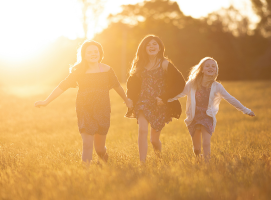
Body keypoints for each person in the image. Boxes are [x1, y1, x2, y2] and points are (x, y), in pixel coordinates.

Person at [34, 40, 133, 164]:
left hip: (103, 109)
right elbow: (62, 86)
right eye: (89, 52)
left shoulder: (107, 70)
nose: (93, 54)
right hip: (84, 109)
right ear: (84, 55)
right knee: (87, 144)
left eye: (96, 51)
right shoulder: (78, 71)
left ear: (100, 53)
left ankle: (103, 158)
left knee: (99, 148)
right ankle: (87, 174)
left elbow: (117, 86)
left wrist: (126, 100)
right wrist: (46, 101)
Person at [168, 57, 255, 162]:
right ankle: (198, 158)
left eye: (213, 66)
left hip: (207, 117)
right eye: (207, 66)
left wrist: (246, 110)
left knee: (206, 143)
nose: (211, 67)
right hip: (194, 117)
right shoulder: (192, 84)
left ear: (216, 70)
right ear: (202, 69)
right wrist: (165, 100)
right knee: (196, 149)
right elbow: (180, 94)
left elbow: (230, 99)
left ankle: (207, 163)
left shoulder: (217, 86)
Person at [126, 35, 185, 163]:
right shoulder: (140, 65)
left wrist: (164, 98)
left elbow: (180, 83)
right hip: (143, 101)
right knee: (142, 130)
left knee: (154, 140)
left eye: (154, 44)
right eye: (148, 44)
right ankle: (142, 163)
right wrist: (130, 98)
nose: (151, 46)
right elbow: (132, 85)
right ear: (144, 48)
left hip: (159, 104)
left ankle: (159, 157)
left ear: (160, 48)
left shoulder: (164, 64)